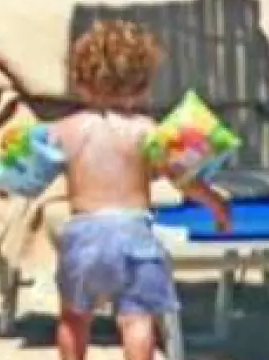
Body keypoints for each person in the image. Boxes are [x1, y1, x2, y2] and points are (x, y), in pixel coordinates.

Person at [53, 20, 232, 360]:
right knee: (137, 319)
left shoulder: (66, 129)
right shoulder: (147, 131)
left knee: (74, 317)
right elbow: (181, 178)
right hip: (133, 232)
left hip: (84, 233)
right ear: (143, 85)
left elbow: (29, 168)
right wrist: (216, 203)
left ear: (79, 81)